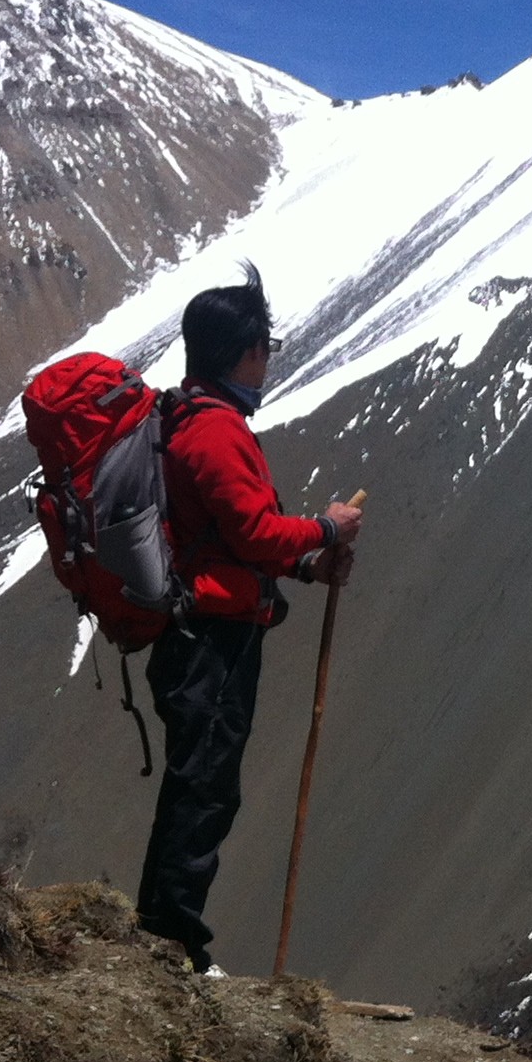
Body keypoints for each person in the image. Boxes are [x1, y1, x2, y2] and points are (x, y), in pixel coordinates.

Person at [136, 267, 364, 976]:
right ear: (245, 353)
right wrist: (326, 530)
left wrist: (304, 568)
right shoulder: (216, 433)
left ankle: (160, 934)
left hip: (198, 626)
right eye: (263, 345)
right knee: (205, 783)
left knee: (197, 780)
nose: (267, 358)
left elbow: (230, 540)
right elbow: (257, 533)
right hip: (213, 637)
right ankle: (171, 944)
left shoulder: (187, 421)